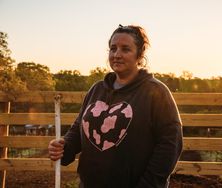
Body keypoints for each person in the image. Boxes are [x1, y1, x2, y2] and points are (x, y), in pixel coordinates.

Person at [48, 24, 183, 188]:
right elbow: (79, 128)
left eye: (125, 49)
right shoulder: (97, 90)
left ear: (139, 55)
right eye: (113, 49)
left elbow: (170, 143)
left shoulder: (156, 92)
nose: (117, 54)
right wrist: (64, 146)